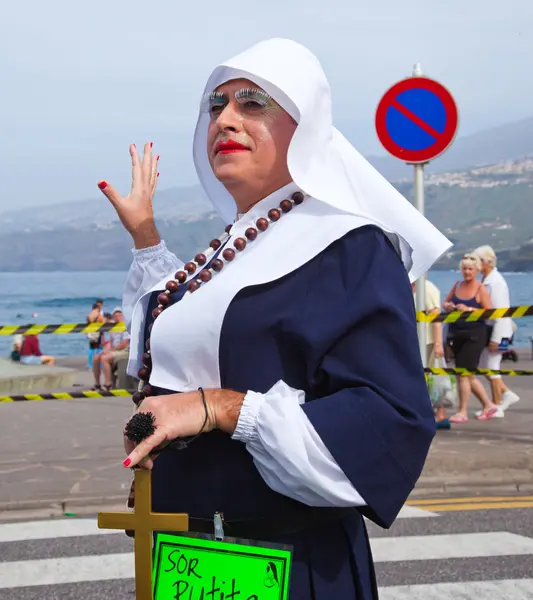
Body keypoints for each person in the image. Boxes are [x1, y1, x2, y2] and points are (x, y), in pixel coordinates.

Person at [98, 39, 451, 599]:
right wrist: (146, 236)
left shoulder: (349, 248)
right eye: (217, 106)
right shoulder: (234, 247)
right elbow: (173, 332)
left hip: (284, 562)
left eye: (252, 103)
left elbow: (389, 420)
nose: (225, 119)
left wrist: (222, 408)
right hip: (192, 562)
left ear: (304, 126)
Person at [443, 255, 500, 422]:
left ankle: (462, 411)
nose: (467, 272)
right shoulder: (457, 285)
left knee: (463, 373)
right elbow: (445, 302)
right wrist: (448, 306)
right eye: (465, 269)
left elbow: (489, 312)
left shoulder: (480, 288)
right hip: (456, 333)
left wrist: (468, 309)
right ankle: (489, 405)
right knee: (467, 375)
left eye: (470, 269)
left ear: (476, 271)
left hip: (474, 334)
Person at [472, 245, 520, 414]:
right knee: (487, 366)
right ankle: (503, 396)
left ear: (487, 262)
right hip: (490, 330)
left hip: (499, 331)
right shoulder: (486, 280)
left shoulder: (496, 282)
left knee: (492, 366)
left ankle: (497, 404)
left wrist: (496, 338)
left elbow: (501, 312)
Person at [412, 279, 449, 428]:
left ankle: (440, 413)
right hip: (413, 340)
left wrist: (438, 343)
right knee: (421, 378)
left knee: (434, 378)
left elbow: (436, 316)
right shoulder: (404, 285)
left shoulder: (427, 287)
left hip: (427, 341)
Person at [91, 307, 130, 391]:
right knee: (96, 358)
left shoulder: (126, 326)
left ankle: (108, 384)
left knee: (105, 358)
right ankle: (97, 384)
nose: (118, 317)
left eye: (119, 315)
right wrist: (105, 350)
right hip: (115, 350)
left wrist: (111, 350)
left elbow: (124, 344)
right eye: (116, 316)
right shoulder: (113, 327)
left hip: (125, 351)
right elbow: (109, 342)